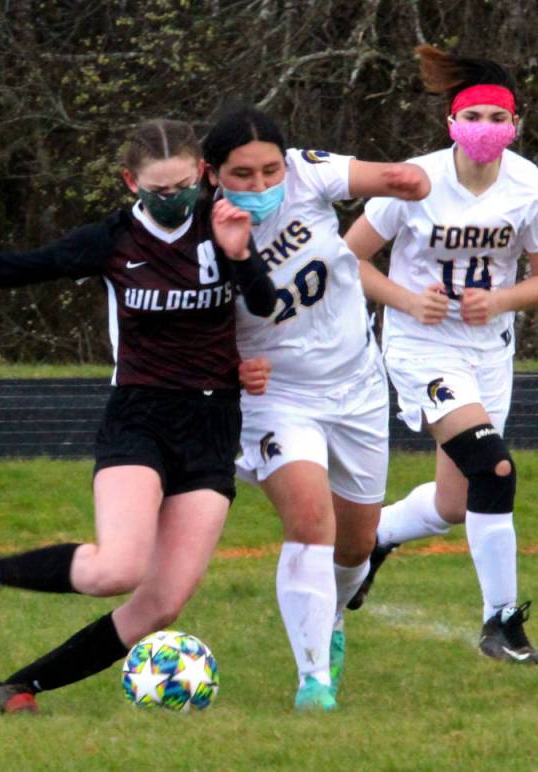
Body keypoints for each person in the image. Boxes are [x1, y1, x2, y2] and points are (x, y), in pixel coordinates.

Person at [0, 118, 277, 714]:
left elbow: (264, 304)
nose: (172, 198)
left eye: (183, 184)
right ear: (132, 183)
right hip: (141, 416)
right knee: (118, 569)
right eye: (157, 190)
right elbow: (11, 267)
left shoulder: (226, 224)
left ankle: (22, 686)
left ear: (202, 175)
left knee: (160, 606)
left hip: (212, 425)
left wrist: (240, 256)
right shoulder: (109, 241)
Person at [200, 106, 431, 710]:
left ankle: (329, 619)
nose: (259, 186)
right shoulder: (202, 236)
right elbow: (183, 330)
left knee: (355, 546)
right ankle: (313, 681)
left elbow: (412, 183)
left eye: (270, 171)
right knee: (309, 521)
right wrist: (231, 366)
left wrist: (400, 181)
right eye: (241, 175)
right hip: (276, 396)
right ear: (212, 175)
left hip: (355, 384)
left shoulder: (309, 174)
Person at [343, 45, 538, 664]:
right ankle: (502, 626)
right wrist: (410, 301)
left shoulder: (528, 186)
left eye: (500, 118)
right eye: (476, 117)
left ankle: (378, 536)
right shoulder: (416, 179)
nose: (487, 130)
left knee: (453, 503)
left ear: (515, 126)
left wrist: (499, 302)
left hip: (489, 349)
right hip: (421, 346)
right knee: (494, 467)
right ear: (452, 124)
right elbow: (347, 257)